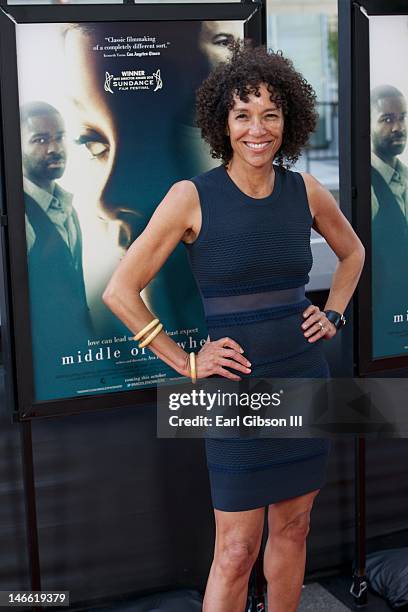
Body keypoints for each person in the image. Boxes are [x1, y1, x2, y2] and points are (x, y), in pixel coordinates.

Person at [103, 45, 365, 611]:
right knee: (236, 549)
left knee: (294, 532)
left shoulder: (306, 191)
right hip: (233, 397)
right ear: (223, 123)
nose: (258, 128)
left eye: (270, 114)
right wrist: (186, 362)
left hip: (303, 378)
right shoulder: (190, 197)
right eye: (243, 114)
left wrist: (335, 313)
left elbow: (353, 253)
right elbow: (120, 292)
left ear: (287, 121)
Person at [20, 101, 92, 397]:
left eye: (59, 137)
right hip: (42, 379)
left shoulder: (69, 208)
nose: (54, 148)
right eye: (40, 139)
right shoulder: (19, 216)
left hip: (77, 368)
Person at [370, 85, 408, 358]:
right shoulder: (365, 185)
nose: (398, 127)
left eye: (403, 117)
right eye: (387, 119)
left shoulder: (405, 177)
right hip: (380, 323)